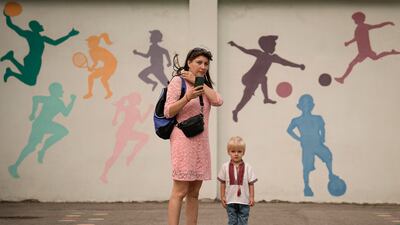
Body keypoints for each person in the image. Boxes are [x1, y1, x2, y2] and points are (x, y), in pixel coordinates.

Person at [164, 47, 223, 225]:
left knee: (195, 192)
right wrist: (187, 97)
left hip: (201, 141)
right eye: (199, 62)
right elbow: (168, 111)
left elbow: (218, 100)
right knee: (180, 190)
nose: (203, 66)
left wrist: (199, 82)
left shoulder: (204, 84)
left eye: (206, 63)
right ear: (189, 62)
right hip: (183, 139)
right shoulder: (177, 81)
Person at [228, 36, 305, 123]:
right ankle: (265, 99)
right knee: (262, 79)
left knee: (247, 97)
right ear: (267, 46)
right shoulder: (259, 53)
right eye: (273, 45)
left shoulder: (273, 58)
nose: (274, 47)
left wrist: (298, 66)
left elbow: (286, 63)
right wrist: (235, 45)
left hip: (256, 81)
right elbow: (245, 50)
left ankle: (237, 111)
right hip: (248, 78)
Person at [8, 82, 76, 178]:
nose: (62, 91)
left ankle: (43, 150)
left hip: (46, 124)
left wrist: (72, 101)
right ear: (55, 91)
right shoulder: (49, 99)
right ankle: (14, 166)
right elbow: (35, 98)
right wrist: (33, 113)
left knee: (63, 131)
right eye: (60, 90)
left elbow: (66, 113)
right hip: (39, 124)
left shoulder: (59, 102)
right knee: (31, 147)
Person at [1, 12, 79, 86]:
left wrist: (69, 35)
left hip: (36, 60)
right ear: (35, 27)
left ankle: (11, 61)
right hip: (32, 59)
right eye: (39, 25)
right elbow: (11, 25)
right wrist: (7, 16)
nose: (41, 25)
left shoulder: (42, 38)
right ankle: (11, 65)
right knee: (31, 81)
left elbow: (55, 43)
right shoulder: (29, 34)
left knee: (29, 78)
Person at [287, 94, 340, 196]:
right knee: (306, 167)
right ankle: (307, 186)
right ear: (299, 106)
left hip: (317, 144)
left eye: (308, 103)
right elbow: (289, 130)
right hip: (307, 147)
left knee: (328, 155)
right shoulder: (297, 120)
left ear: (312, 105)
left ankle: (331, 174)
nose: (306, 106)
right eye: (304, 104)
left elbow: (322, 128)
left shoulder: (318, 118)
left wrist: (323, 136)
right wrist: (299, 138)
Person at [100, 92, 152, 184]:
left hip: (129, 132)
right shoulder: (126, 108)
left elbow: (141, 121)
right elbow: (117, 111)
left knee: (145, 137)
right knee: (115, 155)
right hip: (123, 133)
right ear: (130, 99)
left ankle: (130, 156)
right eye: (133, 98)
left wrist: (149, 110)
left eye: (136, 99)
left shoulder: (136, 110)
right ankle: (104, 174)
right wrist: (115, 118)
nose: (135, 100)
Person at [335, 11, 400, 84]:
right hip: (364, 51)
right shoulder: (358, 28)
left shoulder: (364, 26)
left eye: (355, 19)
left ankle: (342, 79)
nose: (354, 21)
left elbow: (378, 25)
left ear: (359, 19)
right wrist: (349, 42)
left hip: (364, 51)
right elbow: (356, 38)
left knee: (352, 64)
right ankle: (392, 52)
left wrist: (388, 22)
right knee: (375, 58)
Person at [218, 136, 257, 225]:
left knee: (243, 221)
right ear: (228, 152)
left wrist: (251, 197)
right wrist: (222, 196)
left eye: (239, 151)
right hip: (230, 200)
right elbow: (222, 182)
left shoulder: (248, 167)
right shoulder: (225, 167)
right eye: (233, 151)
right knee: (232, 221)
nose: (236, 154)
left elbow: (251, 184)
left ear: (243, 152)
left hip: (244, 201)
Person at [84, 33, 117, 99]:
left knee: (103, 79)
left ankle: (109, 92)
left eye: (90, 42)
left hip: (112, 64)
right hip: (107, 65)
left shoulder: (101, 50)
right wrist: (92, 68)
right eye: (88, 42)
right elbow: (96, 62)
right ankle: (90, 93)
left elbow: (109, 60)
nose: (88, 43)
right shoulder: (91, 52)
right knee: (91, 77)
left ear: (95, 43)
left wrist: (102, 69)